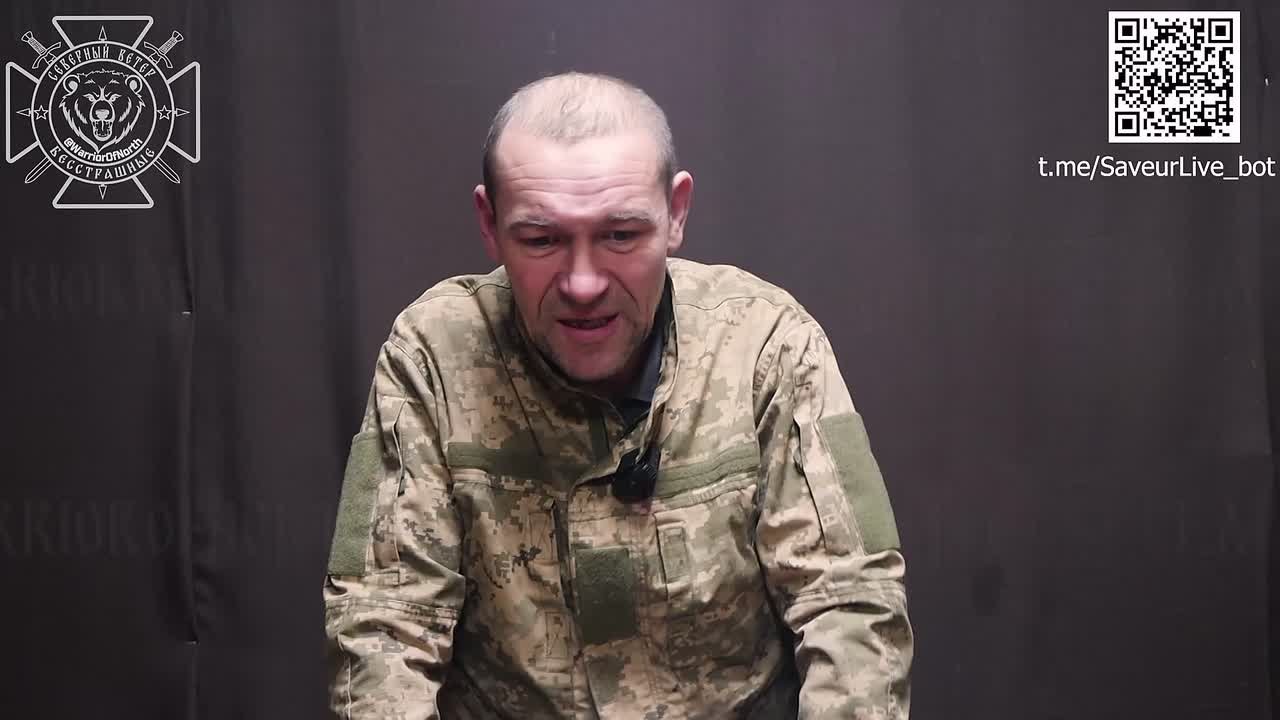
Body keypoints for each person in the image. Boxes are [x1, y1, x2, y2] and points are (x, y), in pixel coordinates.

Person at [323, 71, 913, 720]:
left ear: (676, 213)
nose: (583, 284)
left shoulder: (766, 345)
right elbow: (384, 624)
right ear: (489, 224)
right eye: (542, 239)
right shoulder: (433, 356)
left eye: (621, 235)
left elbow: (850, 604)